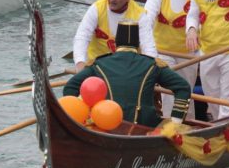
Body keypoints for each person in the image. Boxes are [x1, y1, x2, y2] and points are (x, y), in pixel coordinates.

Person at [63, 21, 191, 127]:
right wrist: (176, 123)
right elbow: (183, 87)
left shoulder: (98, 64)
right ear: (138, 44)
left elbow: (70, 87)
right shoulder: (153, 65)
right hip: (145, 127)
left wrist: (86, 115)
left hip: (106, 125)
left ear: (115, 44)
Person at [140, 0, 198, 118]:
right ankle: (168, 123)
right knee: (169, 90)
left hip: (189, 52)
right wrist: (144, 45)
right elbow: (148, 17)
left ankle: (189, 123)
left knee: (187, 89)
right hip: (164, 52)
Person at [73, 0, 158, 71]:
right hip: (97, 65)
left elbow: (148, 46)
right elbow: (82, 37)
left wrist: (152, 69)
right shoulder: (96, 9)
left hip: (127, 67)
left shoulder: (140, 15)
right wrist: (80, 64)